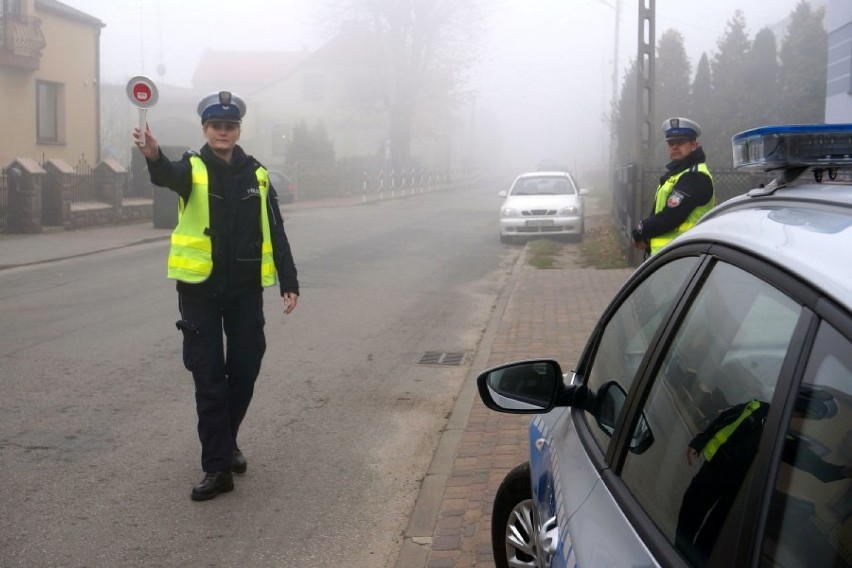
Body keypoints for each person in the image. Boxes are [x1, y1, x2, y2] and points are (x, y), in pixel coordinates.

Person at [132, 91, 299, 501]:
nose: (222, 132)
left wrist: (289, 280)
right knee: (208, 378)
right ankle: (218, 467)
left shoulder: (256, 175)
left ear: (238, 130)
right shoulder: (191, 167)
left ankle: (228, 440)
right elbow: (166, 175)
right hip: (199, 292)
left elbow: (275, 229)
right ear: (205, 130)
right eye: (215, 126)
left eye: (229, 126)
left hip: (244, 291)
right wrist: (153, 156)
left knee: (244, 369)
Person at [632, 117, 715, 256]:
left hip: (684, 257)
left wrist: (641, 230)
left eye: (681, 142)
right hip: (670, 257)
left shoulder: (695, 177)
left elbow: (670, 217)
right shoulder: (678, 174)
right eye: (671, 143)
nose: (675, 147)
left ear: (694, 145)